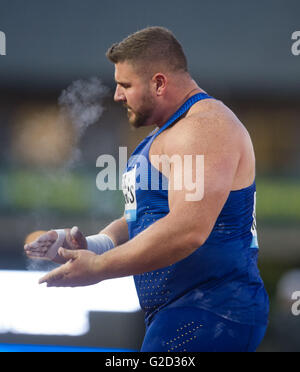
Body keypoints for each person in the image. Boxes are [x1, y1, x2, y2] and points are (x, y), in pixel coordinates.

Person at [24, 26, 269, 352]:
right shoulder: (161, 138)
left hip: (213, 310)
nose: (117, 95)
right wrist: (90, 246)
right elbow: (141, 219)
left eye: (125, 85)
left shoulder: (203, 128)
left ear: (158, 82)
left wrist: (98, 268)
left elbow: (187, 229)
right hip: (184, 311)